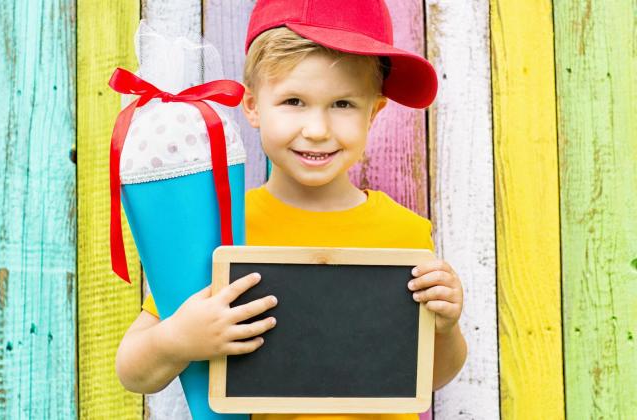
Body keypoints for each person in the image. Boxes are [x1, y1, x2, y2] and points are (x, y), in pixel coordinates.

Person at [115, 0, 467, 418]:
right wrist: (178, 339)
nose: (316, 130)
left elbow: (429, 377)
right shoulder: (224, 230)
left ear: (373, 113)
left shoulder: (404, 234)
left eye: (343, 105)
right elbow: (133, 370)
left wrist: (445, 326)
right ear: (252, 106)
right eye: (294, 101)